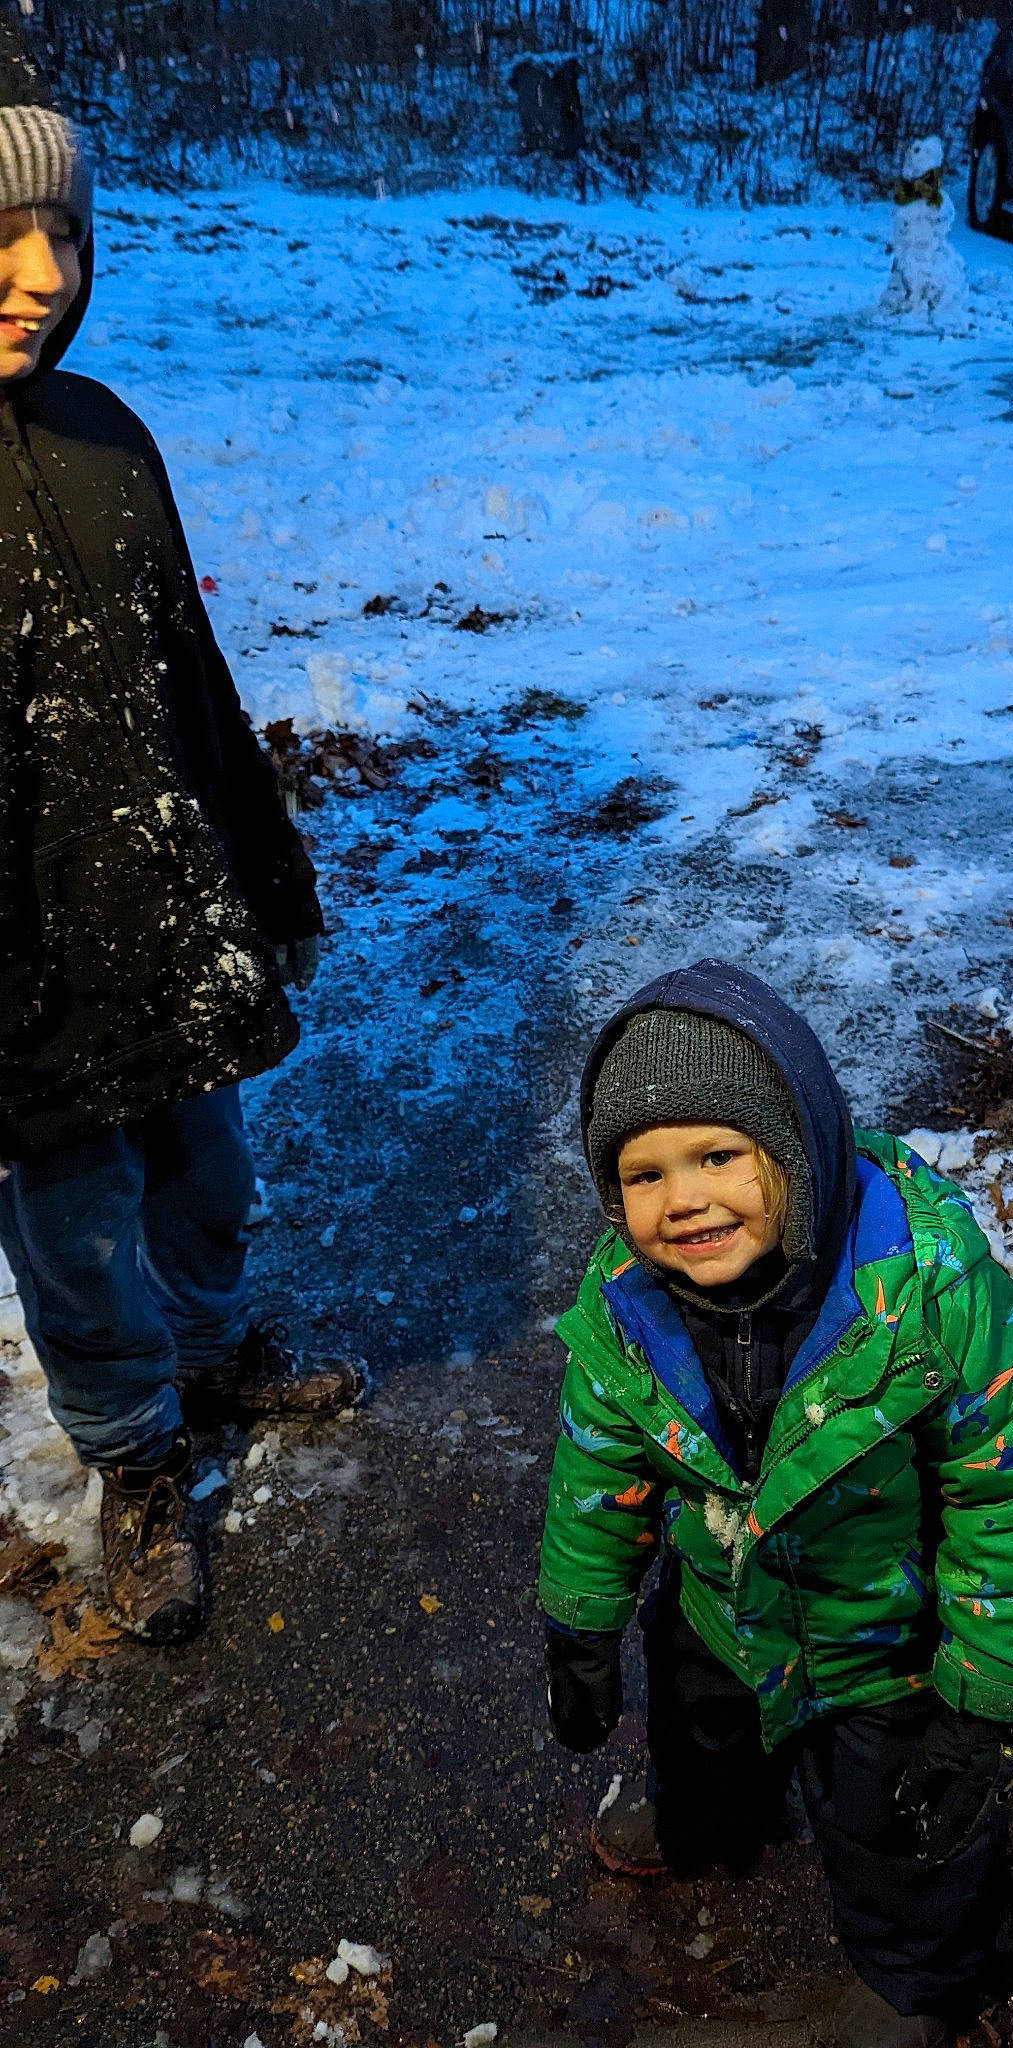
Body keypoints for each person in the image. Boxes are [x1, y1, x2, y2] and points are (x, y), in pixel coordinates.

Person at [0, 21, 362, 1647]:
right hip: (19, 968)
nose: (33, 271)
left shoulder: (103, 433)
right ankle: (137, 1454)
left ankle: (213, 1349)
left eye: (59, 233)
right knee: (74, 1232)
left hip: (158, 902)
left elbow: (194, 688)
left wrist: (264, 876)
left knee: (207, 1167)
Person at [539, 961, 1013, 2048]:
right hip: (718, 1607)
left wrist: (990, 1691)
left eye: (719, 1155)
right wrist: (579, 1618)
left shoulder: (928, 1289)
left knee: (901, 1820)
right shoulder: (626, 1308)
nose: (682, 1198)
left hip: (886, 1636)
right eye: (643, 1173)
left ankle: (916, 1978)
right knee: (699, 1734)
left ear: (797, 1145)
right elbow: (599, 1471)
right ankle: (710, 1819)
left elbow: (1010, 1491)